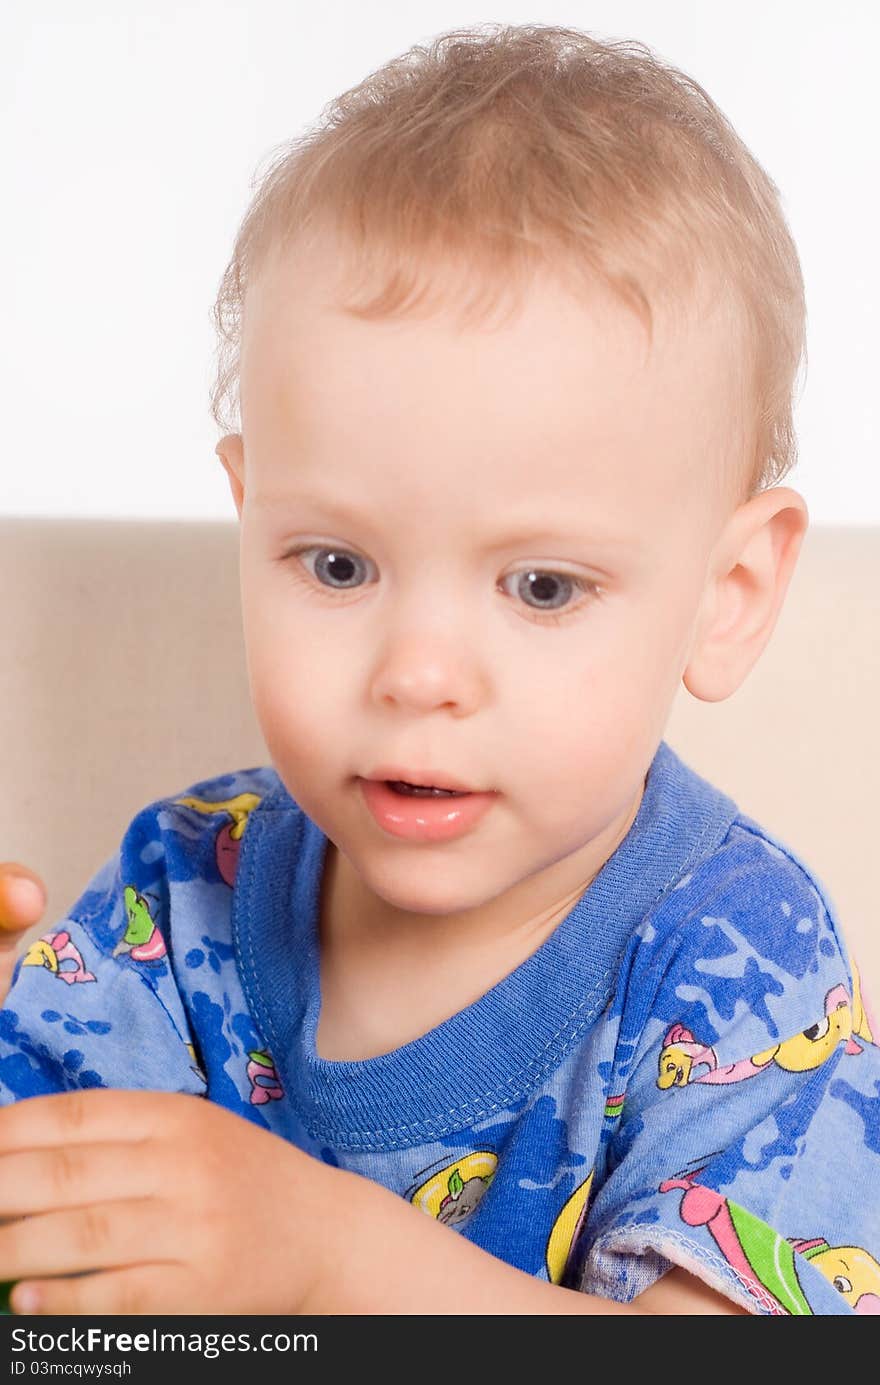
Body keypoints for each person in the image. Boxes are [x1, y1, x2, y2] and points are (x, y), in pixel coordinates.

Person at [1, 22, 878, 1318]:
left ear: (725, 598)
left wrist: (331, 1262)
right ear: (251, 519)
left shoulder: (738, 960)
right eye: (338, 564)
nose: (417, 674)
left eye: (541, 586)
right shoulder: (179, 885)